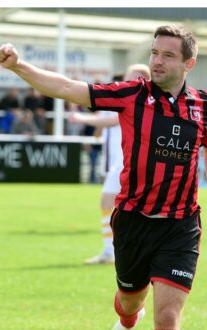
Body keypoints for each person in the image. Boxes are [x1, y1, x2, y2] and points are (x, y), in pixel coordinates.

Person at [0, 24, 207, 330]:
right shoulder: (133, 94)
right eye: (154, 53)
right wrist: (18, 65)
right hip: (133, 221)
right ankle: (128, 319)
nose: (157, 61)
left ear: (188, 64)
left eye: (168, 55)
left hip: (180, 225)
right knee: (130, 299)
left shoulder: (203, 106)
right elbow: (65, 87)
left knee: (168, 317)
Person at [69, 66, 151, 265]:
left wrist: (81, 117)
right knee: (115, 204)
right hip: (122, 160)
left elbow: (111, 120)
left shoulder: (139, 99)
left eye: (131, 78)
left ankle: (117, 250)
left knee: (116, 203)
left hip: (129, 160)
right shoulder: (127, 97)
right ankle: (116, 250)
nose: (127, 81)